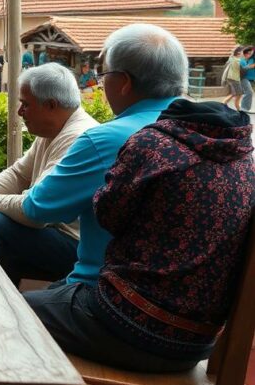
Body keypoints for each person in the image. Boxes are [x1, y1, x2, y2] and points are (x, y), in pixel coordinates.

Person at [32, 98, 253, 372]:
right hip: (195, 346)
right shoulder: (245, 162)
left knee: (14, 309)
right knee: (58, 292)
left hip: (127, 323)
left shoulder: (151, 143)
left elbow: (108, 216)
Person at [22, 24, 187, 319]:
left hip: (119, 309)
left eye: (104, 76)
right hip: (195, 329)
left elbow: (38, 208)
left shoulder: (109, 139)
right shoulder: (210, 134)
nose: (101, 85)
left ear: (123, 82)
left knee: (12, 310)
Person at [0, 64, 98, 284]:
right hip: (54, 233)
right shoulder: (54, 130)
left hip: (77, 247)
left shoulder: (78, 138)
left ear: (51, 105)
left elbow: (36, 215)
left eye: (25, 104)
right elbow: (19, 174)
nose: (20, 112)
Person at [222, 46, 244, 111]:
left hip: (232, 78)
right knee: (238, 94)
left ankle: (238, 109)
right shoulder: (237, 60)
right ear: (239, 53)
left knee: (236, 94)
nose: (243, 54)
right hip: (234, 79)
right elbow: (243, 68)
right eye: (243, 52)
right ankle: (238, 109)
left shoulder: (232, 58)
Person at [240, 46, 255, 112]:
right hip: (245, 78)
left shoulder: (251, 59)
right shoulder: (243, 60)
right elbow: (242, 69)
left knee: (248, 93)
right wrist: (250, 66)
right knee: (249, 92)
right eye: (250, 52)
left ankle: (245, 108)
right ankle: (244, 108)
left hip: (251, 78)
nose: (251, 53)